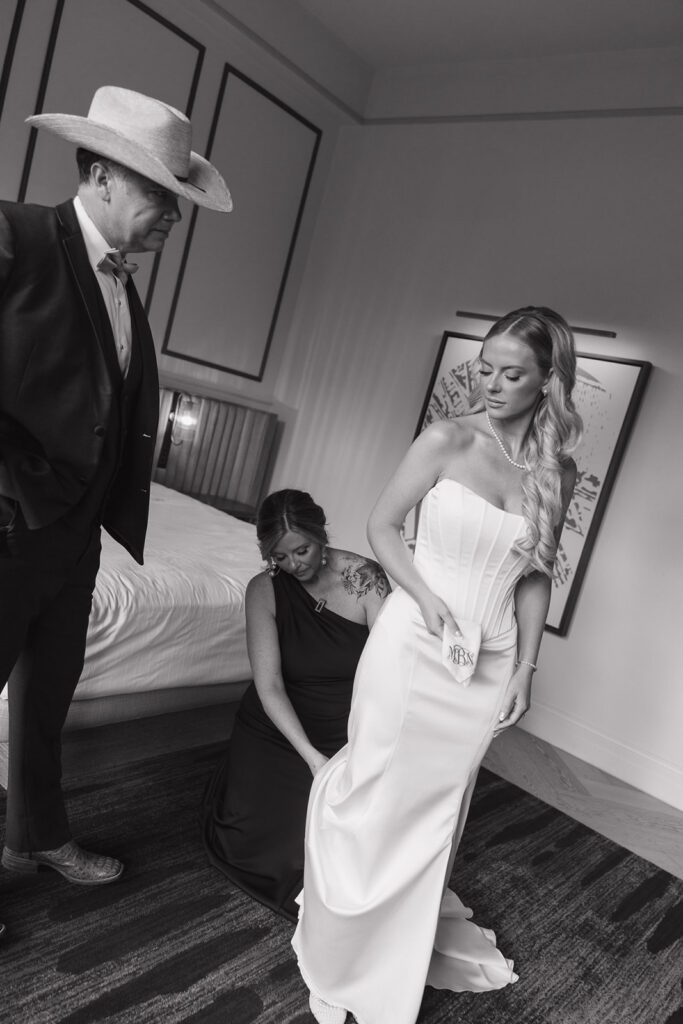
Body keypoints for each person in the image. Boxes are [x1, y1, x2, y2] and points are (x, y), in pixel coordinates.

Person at [292, 306, 582, 1024]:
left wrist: (526, 668)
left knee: (436, 809)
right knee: (375, 784)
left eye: (510, 374)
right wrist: (423, 601)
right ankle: (342, 940)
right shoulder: (447, 439)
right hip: (413, 641)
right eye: (482, 367)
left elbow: (536, 574)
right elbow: (381, 526)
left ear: (548, 381)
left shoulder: (558, 470)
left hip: (488, 664)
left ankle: (397, 949)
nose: (489, 383)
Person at [0, 86, 231, 887]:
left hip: (75, 541)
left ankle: (33, 835)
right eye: (159, 195)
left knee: (45, 704)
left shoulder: (124, 285)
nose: (173, 213)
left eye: (179, 200)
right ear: (100, 175)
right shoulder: (17, 235)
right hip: (9, 523)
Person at [203, 489, 389, 920]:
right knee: (257, 847)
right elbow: (268, 685)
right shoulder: (263, 590)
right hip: (276, 727)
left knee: (324, 857)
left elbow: (387, 672)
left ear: (320, 533)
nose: (293, 565)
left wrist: (367, 742)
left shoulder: (366, 579)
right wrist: (311, 758)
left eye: (301, 550)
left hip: (342, 725)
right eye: (279, 557)